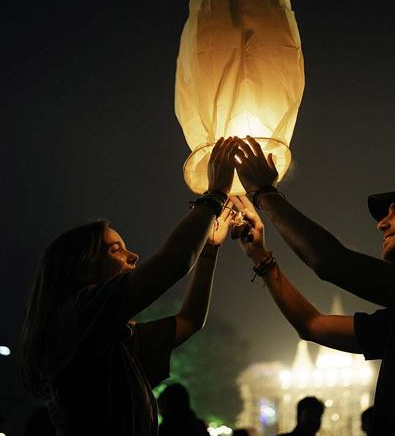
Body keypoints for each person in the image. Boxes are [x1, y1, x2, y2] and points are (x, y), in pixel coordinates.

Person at [230, 136, 395, 434]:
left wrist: (266, 195)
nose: (382, 223)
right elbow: (312, 324)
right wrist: (260, 256)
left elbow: (330, 263)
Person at [18, 138, 239, 435]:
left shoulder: (119, 341)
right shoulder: (78, 315)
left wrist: (210, 248)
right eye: (116, 249)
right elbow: (173, 262)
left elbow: (190, 320)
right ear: (83, 266)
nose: (133, 256)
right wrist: (215, 194)